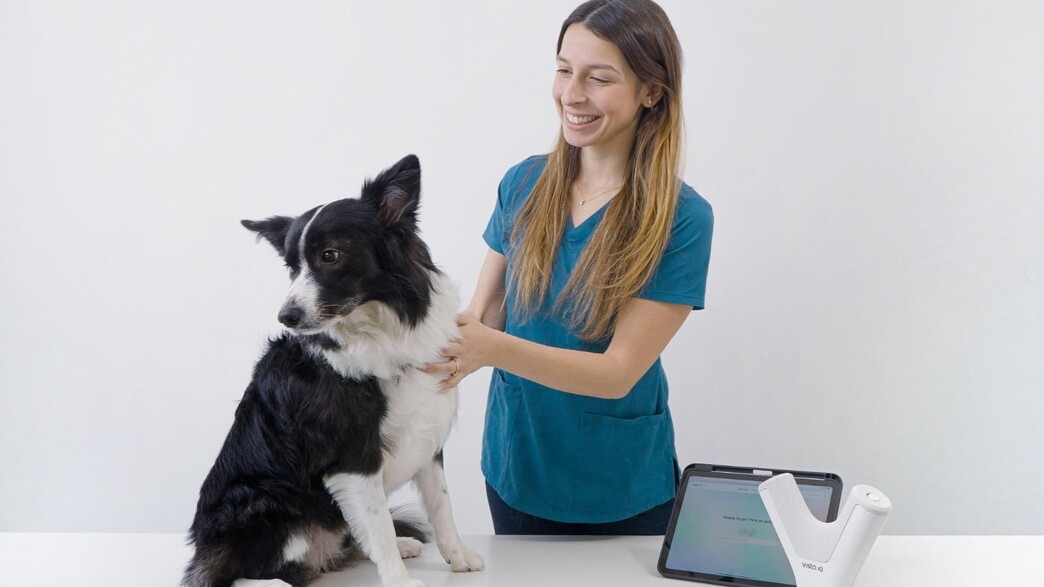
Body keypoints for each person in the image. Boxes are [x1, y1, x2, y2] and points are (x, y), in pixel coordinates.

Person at [423, 0, 713, 535]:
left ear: (651, 92)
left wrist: (489, 348)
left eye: (598, 78)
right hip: (518, 466)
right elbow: (483, 316)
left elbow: (619, 372)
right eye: (563, 70)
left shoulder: (683, 219)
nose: (572, 95)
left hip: (620, 484)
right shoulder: (523, 184)